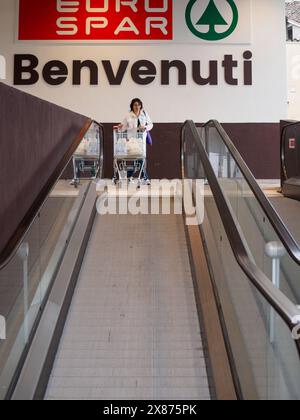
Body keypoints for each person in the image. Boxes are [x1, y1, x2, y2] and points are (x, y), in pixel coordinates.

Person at [118, 98, 153, 185]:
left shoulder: (144, 114)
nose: (137, 107)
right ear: (132, 106)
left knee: (140, 158)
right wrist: (120, 126)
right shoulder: (128, 116)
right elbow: (123, 127)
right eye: (135, 105)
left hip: (142, 140)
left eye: (138, 105)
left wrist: (145, 127)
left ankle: (130, 176)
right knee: (137, 158)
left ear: (140, 106)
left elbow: (151, 124)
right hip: (132, 141)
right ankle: (144, 177)